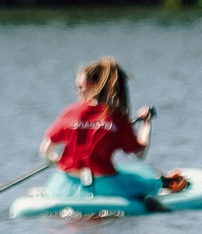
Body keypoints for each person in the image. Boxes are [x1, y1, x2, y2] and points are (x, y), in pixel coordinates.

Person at [39, 58, 165, 200]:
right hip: (105, 186)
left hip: (65, 185)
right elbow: (140, 154)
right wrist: (146, 123)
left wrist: (52, 159)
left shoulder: (70, 112)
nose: (78, 93)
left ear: (91, 86)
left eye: (79, 88)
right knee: (152, 183)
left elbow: (46, 151)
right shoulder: (117, 117)